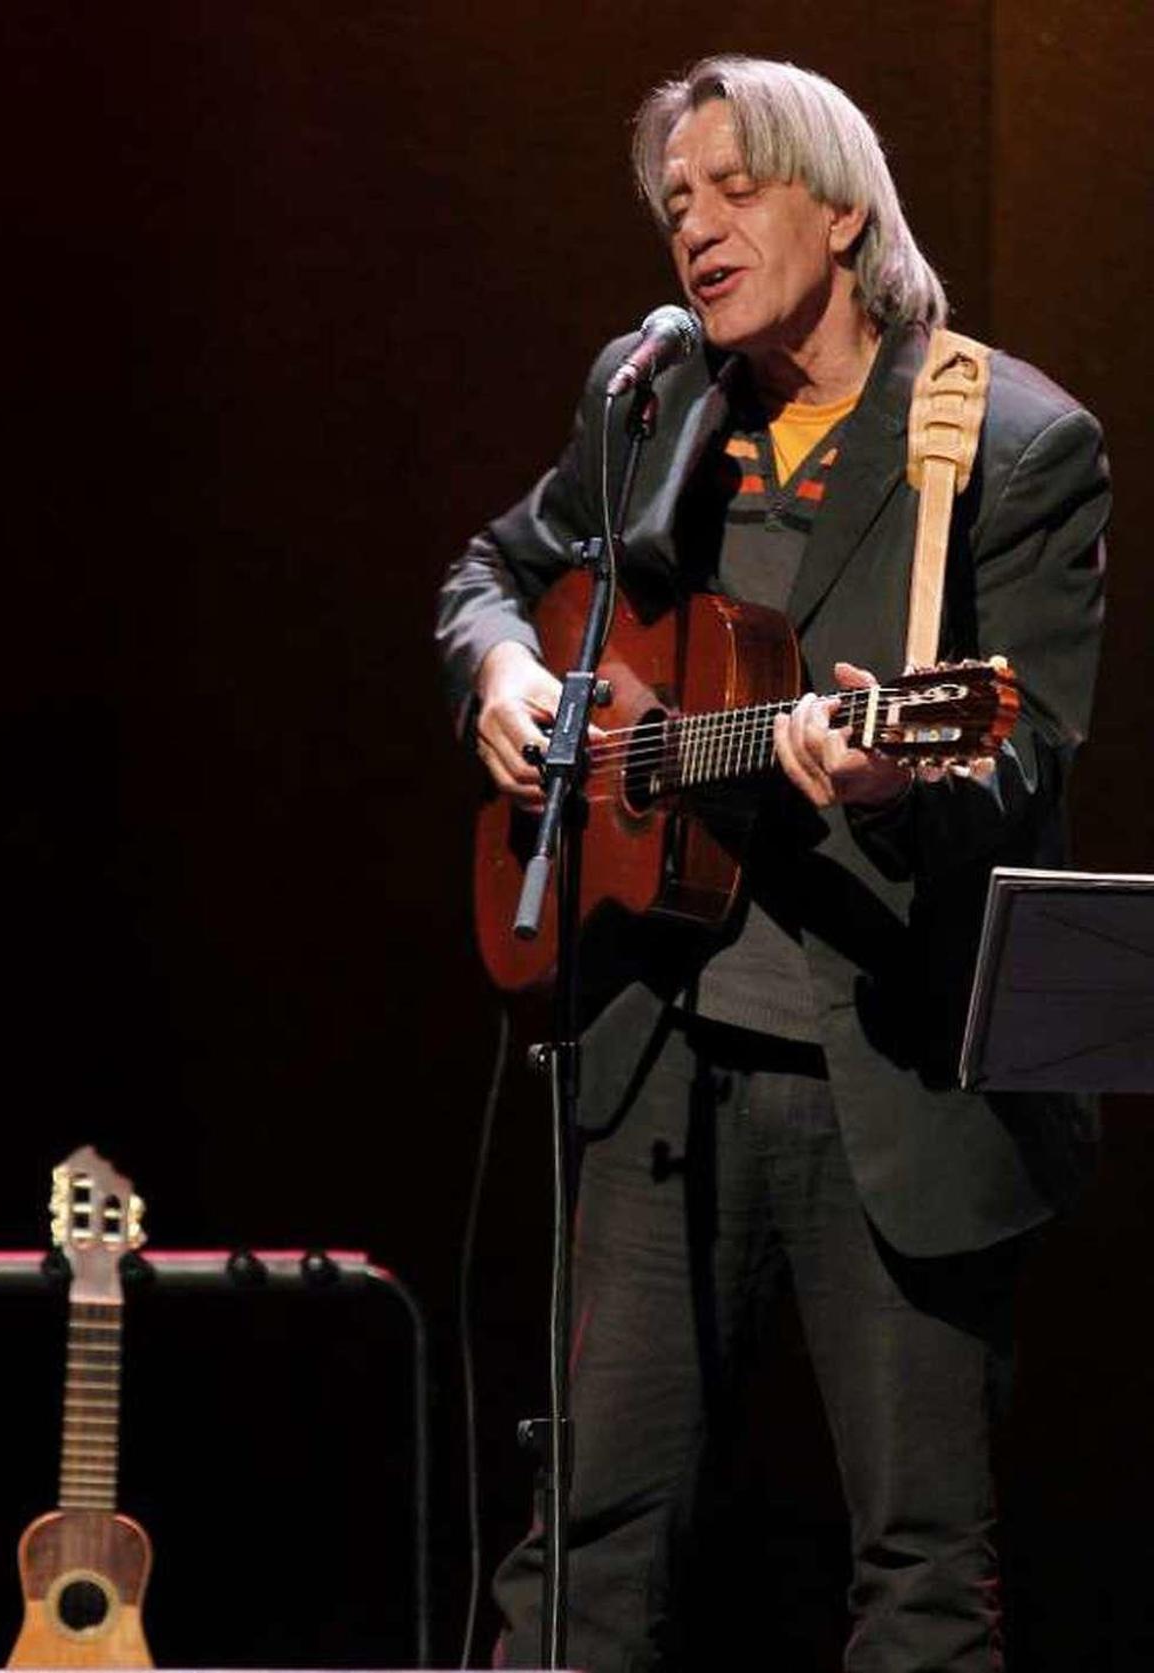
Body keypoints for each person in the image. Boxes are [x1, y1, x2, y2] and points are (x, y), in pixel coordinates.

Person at [436, 55, 1109, 1673]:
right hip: (658, 1061)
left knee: (922, 1575)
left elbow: (1019, 747)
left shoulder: (1009, 439)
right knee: (585, 1540)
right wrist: (503, 676)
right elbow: (493, 571)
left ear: (844, 203)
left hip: (894, 1068)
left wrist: (891, 774)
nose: (699, 227)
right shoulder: (661, 408)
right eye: (678, 201)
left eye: (737, 187)